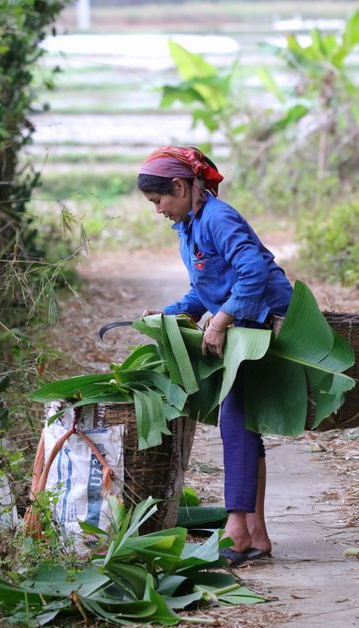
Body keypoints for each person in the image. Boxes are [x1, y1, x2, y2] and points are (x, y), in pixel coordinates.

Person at [138, 146, 293, 566]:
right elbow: (205, 289)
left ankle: (238, 531)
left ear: (181, 186)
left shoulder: (218, 217)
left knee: (236, 421)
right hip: (245, 324)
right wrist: (167, 315)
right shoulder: (189, 226)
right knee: (242, 423)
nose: (159, 211)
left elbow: (253, 272)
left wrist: (221, 319)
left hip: (267, 323)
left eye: (159, 201)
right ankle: (254, 534)